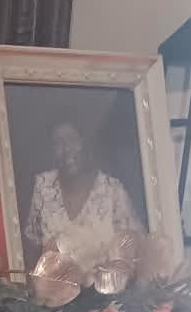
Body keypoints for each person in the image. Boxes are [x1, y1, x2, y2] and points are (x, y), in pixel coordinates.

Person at [24, 112, 140, 264]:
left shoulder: (112, 190)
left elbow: (134, 246)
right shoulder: (43, 186)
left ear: (85, 143)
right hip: (56, 287)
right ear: (52, 151)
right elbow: (33, 244)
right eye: (58, 142)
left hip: (105, 286)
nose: (66, 149)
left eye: (72, 139)